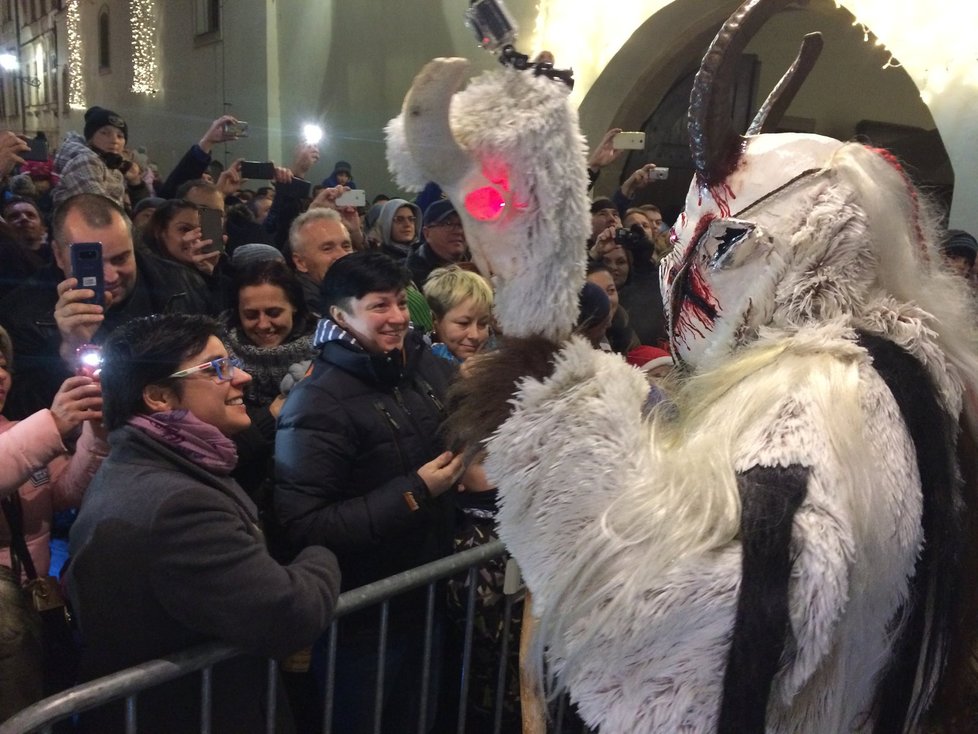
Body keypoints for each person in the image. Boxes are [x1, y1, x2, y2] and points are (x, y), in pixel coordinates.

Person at [66, 313, 340, 734]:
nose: (242, 377)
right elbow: (289, 615)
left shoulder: (147, 465)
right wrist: (320, 554)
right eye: (216, 369)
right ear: (159, 396)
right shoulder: (179, 506)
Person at [274, 250, 463, 734]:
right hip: (362, 619)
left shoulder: (420, 367)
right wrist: (415, 492)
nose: (398, 317)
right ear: (340, 315)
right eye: (380, 306)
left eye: (402, 302)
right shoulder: (317, 402)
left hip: (424, 594)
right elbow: (304, 523)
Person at [0, 193, 212, 420]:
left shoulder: (182, 285)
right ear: (59, 255)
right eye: (92, 262)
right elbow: (20, 414)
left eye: (121, 259)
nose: (110, 276)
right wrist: (68, 355)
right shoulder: (20, 313)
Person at [0, 325, 107, 719]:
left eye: (3, 364)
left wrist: (97, 432)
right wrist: (54, 424)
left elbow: (64, 493)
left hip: (31, 609)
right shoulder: (32, 434)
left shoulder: (18, 432)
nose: (0, 375)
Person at [221, 259, 316, 500]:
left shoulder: (326, 351)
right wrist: (270, 416)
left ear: (294, 306)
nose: (263, 325)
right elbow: (217, 449)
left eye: (274, 313)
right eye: (251, 315)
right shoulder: (217, 362)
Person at [52, 106, 129, 209]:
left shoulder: (112, 167)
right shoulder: (85, 161)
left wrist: (135, 183)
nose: (114, 141)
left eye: (120, 136)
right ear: (90, 138)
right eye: (105, 133)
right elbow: (100, 208)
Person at [287, 207, 353, 316]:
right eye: (327, 248)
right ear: (300, 262)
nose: (342, 255)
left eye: (346, 246)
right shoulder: (300, 310)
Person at [422, 264, 492, 364]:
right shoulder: (417, 365)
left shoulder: (499, 364)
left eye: (483, 324)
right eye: (463, 323)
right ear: (435, 320)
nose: (475, 335)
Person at [407, 198, 469, 288]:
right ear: (427, 233)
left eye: (462, 224)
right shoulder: (410, 278)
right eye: (448, 224)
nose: (459, 231)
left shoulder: (479, 268)